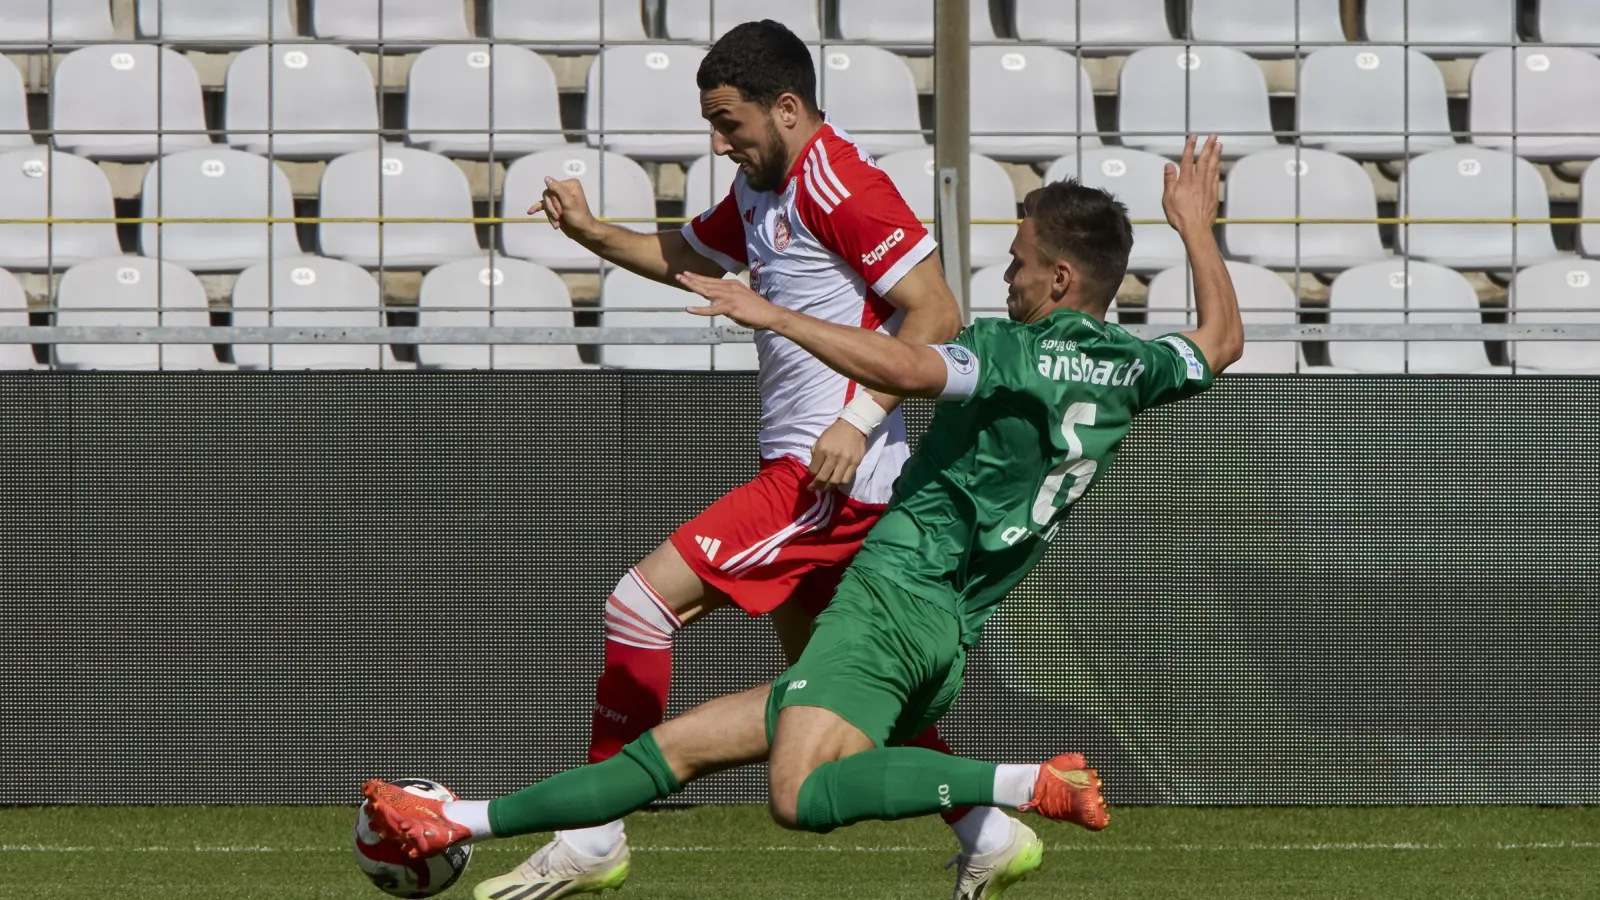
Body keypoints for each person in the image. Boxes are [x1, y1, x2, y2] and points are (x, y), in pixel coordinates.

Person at [364, 133, 1242, 900]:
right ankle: (457, 820)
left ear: (1059, 277)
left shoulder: (1009, 352)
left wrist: (772, 313)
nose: (1007, 275)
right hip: (948, 633)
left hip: (891, 602)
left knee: (798, 796)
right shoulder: (1136, 368)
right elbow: (1221, 342)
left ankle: (1019, 785)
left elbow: (908, 364)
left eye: (1018, 261)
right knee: (675, 751)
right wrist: (1197, 230)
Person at [498, 18, 1026, 900]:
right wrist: (590, 232)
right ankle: (988, 827)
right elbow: (685, 257)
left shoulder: (842, 184)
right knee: (831, 685)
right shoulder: (761, 185)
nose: (719, 143)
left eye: (728, 122)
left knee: (638, 604)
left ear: (786, 108)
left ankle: (593, 835)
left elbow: (937, 312)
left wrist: (858, 419)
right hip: (818, 472)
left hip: (829, 480)